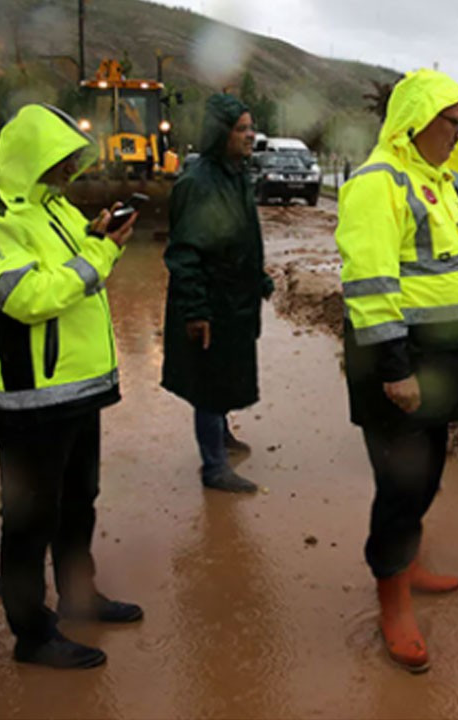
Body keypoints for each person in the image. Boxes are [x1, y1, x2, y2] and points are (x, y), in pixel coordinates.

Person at [0, 104, 142, 669]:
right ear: (31, 155)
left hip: (78, 390)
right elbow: (31, 298)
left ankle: (80, 597)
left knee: (79, 503)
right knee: (31, 519)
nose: (69, 170)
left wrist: (94, 237)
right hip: (29, 400)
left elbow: (69, 271)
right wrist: (101, 252)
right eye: (61, 159)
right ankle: (32, 633)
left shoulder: (50, 207)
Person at [334, 69, 458, 673]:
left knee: (428, 473)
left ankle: (410, 563)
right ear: (415, 124)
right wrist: (395, 370)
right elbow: (371, 287)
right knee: (402, 486)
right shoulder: (378, 184)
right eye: (451, 123)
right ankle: (393, 599)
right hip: (399, 367)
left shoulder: (431, 176)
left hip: (439, 364)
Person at [161, 94, 272, 493]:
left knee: (225, 371)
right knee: (208, 380)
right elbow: (185, 253)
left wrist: (257, 277)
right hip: (210, 302)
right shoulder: (197, 183)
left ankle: (221, 434)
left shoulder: (236, 174)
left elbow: (241, 236)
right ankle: (214, 466)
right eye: (242, 129)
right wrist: (195, 311)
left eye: (251, 127)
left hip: (235, 299)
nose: (250, 135)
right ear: (220, 133)